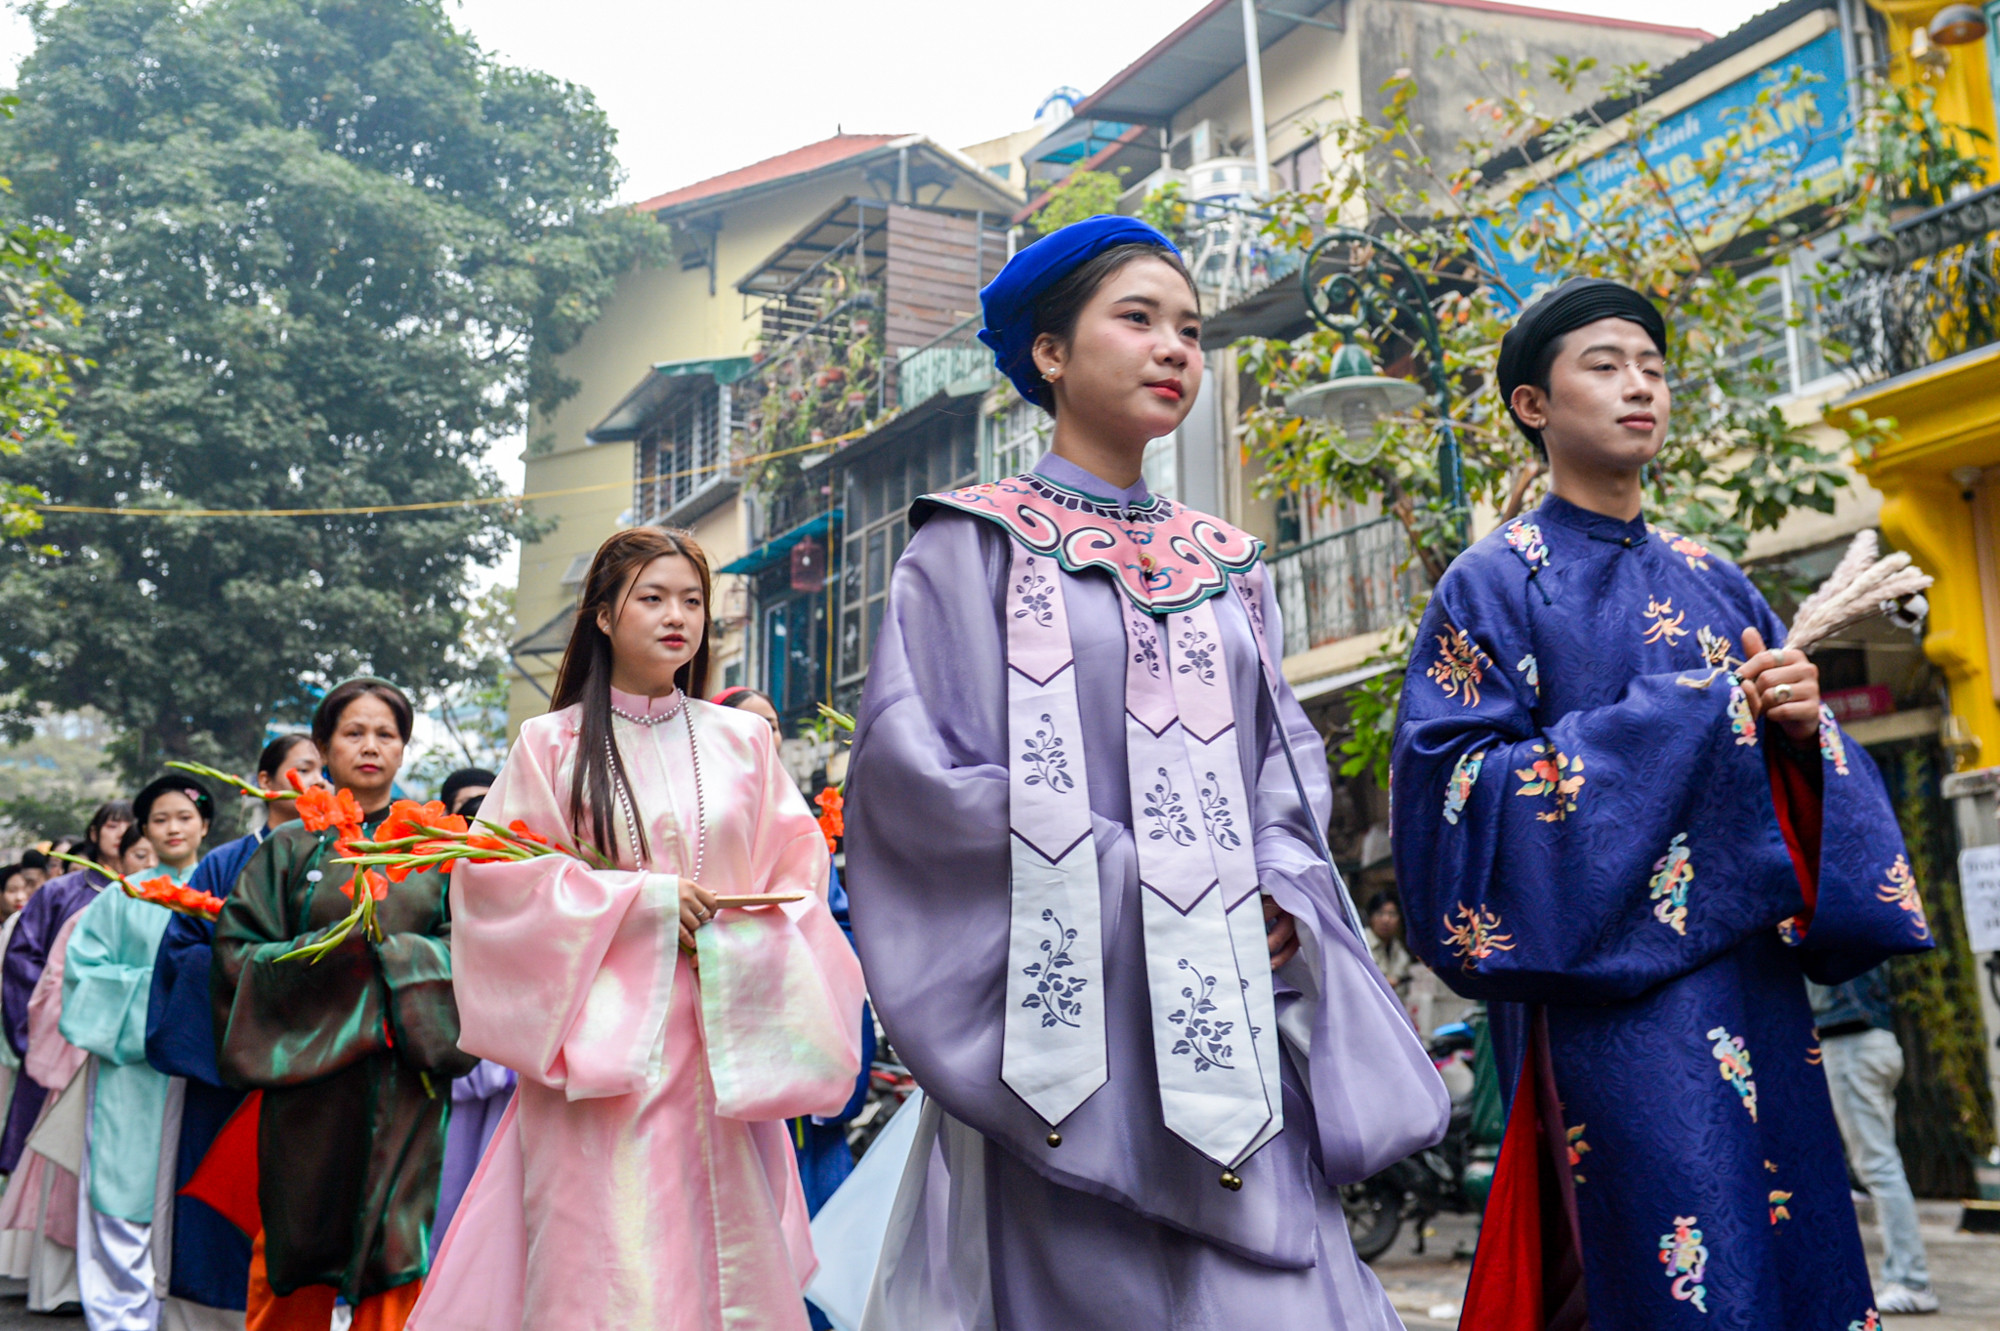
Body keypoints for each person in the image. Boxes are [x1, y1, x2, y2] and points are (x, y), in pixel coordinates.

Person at [842, 216, 1446, 1329]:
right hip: (1072, 1018)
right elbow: (918, 779)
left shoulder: (1226, 565)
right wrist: (1145, 878)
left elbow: (1279, 766)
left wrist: (1272, 884)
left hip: (1225, 1010)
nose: (1174, 347)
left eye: (1189, 328)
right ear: (1049, 352)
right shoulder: (968, 544)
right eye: (1136, 319)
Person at [1390, 278, 1933, 1329]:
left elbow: (1810, 794)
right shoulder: (1490, 581)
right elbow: (1452, 796)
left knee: (1790, 1246)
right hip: (1613, 999)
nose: (1637, 384)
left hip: (1758, 993)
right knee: (1671, 1256)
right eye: (1602, 363)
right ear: (1530, 405)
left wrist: (1795, 726)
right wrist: (1685, 711)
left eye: (1649, 366)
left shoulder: (1716, 578)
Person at [408, 528, 865, 1331]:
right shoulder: (548, 745)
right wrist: (642, 904)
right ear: (604, 616)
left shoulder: (744, 741)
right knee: (608, 1267)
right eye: (652, 598)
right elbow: (496, 890)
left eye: (691, 600)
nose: (676, 616)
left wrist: (735, 929)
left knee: (727, 1265)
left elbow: (801, 880)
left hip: (726, 1043)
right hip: (604, 1053)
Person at [213, 680, 475, 1331]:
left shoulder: (436, 850)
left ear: (404, 749)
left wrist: (398, 961)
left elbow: (471, 953)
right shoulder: (288, 848)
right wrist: (342, 955)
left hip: (404, 1078)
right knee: (294, 1248)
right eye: (353, 732)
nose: (370, 746)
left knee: (397, 1250)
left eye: (386, 733)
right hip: (307, 1086)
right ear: (324, 746)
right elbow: (237, 955)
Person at [147, 733, 324, 1330]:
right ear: (266, 782)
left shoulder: (352, 858)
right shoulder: (222, 863)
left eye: (326, 771)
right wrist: (266, 984)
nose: (317, 782)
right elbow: (184, 956)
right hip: (224, 1071)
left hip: (320, 1071)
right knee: (214, 1219)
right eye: (303, 770)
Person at [715, 685, 872, 1331]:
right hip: (739, 1057)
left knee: (825, 1237)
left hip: (819, 1044)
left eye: (773, 726)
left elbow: (844, 927)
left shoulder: (805, 826)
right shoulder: (706, 825)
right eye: (746, 726)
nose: (764, 739)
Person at [63, 776, 214, 1330]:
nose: (173, 829)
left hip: (203, 1069)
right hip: (132, 1071)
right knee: (120, 1190)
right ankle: (119, 1319)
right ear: (144, 830)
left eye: (184, 817)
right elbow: (84, 978)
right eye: (159, 820)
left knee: (193, 1192)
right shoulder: (120, 897)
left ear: (203, 824)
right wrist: (163, 999)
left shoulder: (227, 890)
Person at [0, 801, 133, 1179]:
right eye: (111, 825)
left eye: (128, 825)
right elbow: (22, 960)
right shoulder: (59, 892)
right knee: (41, 1158)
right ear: (93, 833)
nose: (120, 832)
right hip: (58, 1032)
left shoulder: (150, 891)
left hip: (121, 1036)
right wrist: (49, 1021)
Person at [1811, 968, 1938, 1315]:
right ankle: (1906, 1277)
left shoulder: (1832, 916)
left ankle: (1911, 1281)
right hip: (1875, 1038)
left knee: (1879, 1169)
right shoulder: (1871, 916)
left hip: (1851, 1043)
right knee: (1878, 1167)